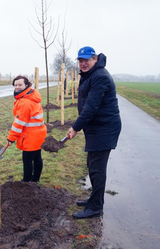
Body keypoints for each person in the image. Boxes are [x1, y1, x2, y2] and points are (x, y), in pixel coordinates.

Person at [66, 46, 121, 219]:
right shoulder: (91, 74)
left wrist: (75, 127)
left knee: (97, 169)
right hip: (97, 127)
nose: (83, 64)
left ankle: (95, 207)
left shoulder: (100, 77)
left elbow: (91, 107)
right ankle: (94, 199)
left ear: (95, 59)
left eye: (86, 60)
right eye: (80, 61)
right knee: (92, 165)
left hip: (105, 128)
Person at [6, 75, 47, 183]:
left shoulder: (25, 102)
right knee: (37, 157)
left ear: (27, 85)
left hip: (31, 136)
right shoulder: (29, 97)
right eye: (15, 85)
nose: (17, 87)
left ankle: (26, 183)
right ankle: (35, 180)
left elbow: (19, 123)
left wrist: (11, 138)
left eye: (20, 84)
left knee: (27, 160)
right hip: (38, 134)